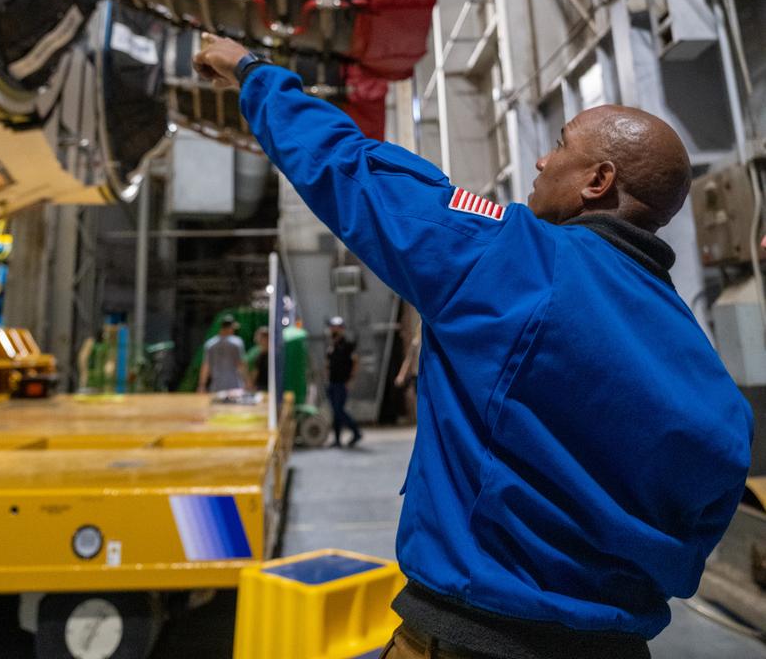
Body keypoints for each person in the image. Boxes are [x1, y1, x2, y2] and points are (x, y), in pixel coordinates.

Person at [194, 36, 752, 659]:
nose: (541, 162)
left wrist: (253, 73)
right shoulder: (700, 365)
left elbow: (351, 170)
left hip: (471, 638)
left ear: (598, 181)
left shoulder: (515, 261)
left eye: (561, 144)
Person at [325, 316, 362, 448]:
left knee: (339, 410)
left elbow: (355, 362)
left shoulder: (348, 345)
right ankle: (337, 439)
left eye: (336, 327)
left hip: (342, 382)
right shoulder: (331, 346)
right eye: (332, 327)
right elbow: (328, 364)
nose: (333, 330)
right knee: (335, 412)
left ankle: (356, 431)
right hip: (332, 382)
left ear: (342, 329)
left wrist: (351, 380)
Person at [198, 313, 246, 394]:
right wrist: (248, 383)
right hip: (235, 385)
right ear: (230, 328)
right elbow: (241, 364)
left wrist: (201, 385)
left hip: (217, 386)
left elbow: (206, 366)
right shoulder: (237, 342)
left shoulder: (210, 344)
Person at [246, 325, 270, 392]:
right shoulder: (257, 352)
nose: (256, 339)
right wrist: (250, 383)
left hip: (267, 387)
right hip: (260, 387)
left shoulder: (273, 353)